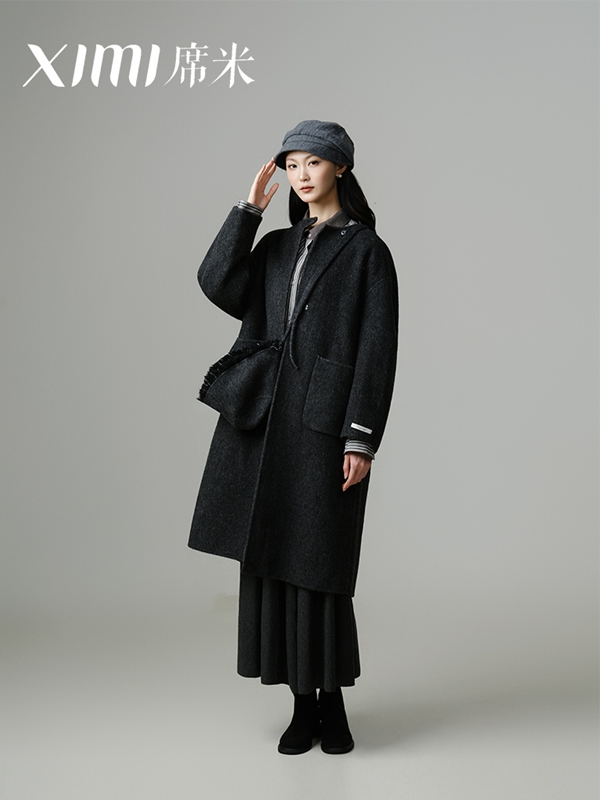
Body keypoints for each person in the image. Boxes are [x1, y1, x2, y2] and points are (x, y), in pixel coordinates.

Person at [189, 120, 399, 755]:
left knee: (317, 563)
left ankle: (332, 704)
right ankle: (300, 707)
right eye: (292, 164)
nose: (302, 174)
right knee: (271, 557)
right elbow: (216, 283)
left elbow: (377, 351)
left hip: (323, 425)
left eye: (314, 162)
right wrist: (247, 214)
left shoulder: (367, 251)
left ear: (341, 168)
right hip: (262, 422)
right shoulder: (276, 246)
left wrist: (360, 439)